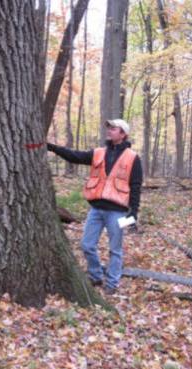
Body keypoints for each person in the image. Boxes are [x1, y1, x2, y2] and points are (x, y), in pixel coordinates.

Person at [47, 119, 143, 295]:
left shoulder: (133, 158)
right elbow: (74, 156)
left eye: (113, 129)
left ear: (123, 134)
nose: (109, 131)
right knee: (87, 245)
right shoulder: (98, 153)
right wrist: (52, 147)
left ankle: (112, 283)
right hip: (96, 209)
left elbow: (136, 187)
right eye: (109, 128)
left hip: (118, 212)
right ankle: (96, 276)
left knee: (115, 250)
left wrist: (133, 214)